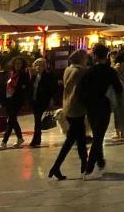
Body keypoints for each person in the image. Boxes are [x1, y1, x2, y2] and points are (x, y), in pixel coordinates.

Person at [79, 43, 124, 179]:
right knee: (98, 137)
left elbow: (81, 91)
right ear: (107, 56)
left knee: (97, 134)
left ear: (94, 55)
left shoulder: (88, 71)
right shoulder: (110, 71)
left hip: (91, 108)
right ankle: (89, 169)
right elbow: (119, 89)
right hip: (103, 107)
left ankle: (100, 162)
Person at [48, 50, 88, 180]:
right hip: (77, 108)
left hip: (68, 106)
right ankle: (59, 167)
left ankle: (81, 165)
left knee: (77, 139)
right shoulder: (81, 71)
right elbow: (82, 90)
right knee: (75, 139)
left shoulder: (67, 70)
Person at [0, 56, 30, 150]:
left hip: (17, 100)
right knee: (13, 120)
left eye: (19, 63)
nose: (17, 65)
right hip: (8, 99)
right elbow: (5, 86)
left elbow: (26, 86)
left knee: (11, 120)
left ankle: (4, 142)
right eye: (16, 63)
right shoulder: (10, 73)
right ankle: (20, 138)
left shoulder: (24, 74)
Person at [28, 58, 58, 148]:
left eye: (40, 65)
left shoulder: (48, 76)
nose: (38, 67)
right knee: (37, 121)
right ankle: (37, 138)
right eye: (36, 65)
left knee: (37, 121)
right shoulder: (34, 76)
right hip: (35, 100)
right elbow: (31, 88)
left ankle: (36, 139)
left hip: (43, 100)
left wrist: (51, 99)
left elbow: (52, 88)